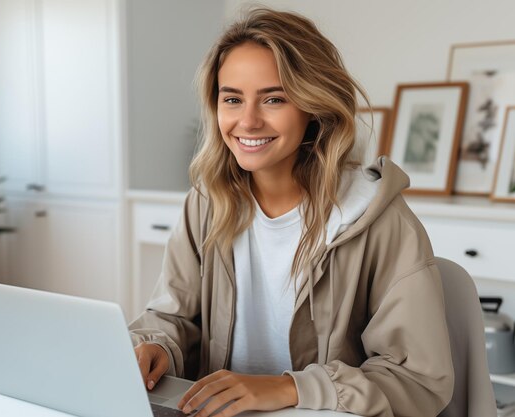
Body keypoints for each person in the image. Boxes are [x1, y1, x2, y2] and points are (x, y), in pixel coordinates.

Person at [129, 7, 454, 417]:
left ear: (313, 106)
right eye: (232, 99)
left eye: (274, 98)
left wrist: (288, 388)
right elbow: (173, 316)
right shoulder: (206, 203)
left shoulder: (378, 219)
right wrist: (155, 346)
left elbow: (418, 381)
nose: (247, 121)